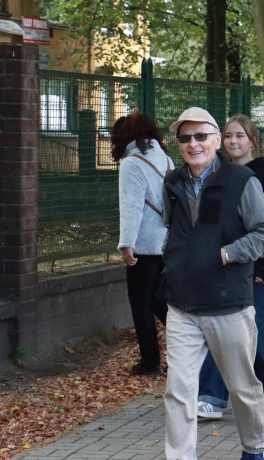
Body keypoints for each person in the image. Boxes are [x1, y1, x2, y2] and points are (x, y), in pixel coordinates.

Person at [150, 107, 264, 460]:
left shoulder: (242, 181)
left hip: (228, 304)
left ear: (217, 140)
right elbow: (174, 230)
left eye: (201, 136)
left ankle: (256, 445)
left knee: (241, 387)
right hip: (183, 305)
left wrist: (226, 254)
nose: (194, 144)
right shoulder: (172, 181)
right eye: (185, 138)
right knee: (179, 390)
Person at [196, 115, 264, 419]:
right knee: (219, 334)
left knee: (262, 336)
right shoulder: (214, 174)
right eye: (229, 136)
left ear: (252, 141)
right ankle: (212, 396)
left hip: (257, 272)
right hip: (222, 268)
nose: (234, 142)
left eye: (240, 136)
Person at [114, 113, 172, 376]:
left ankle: (150, 362)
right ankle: (193, 342)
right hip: (167, 241)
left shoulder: (132, 163)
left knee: (140, 303)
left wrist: (127, 243)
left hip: (144, 243)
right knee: (159, 298)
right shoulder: (165, 158)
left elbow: (132, 207)